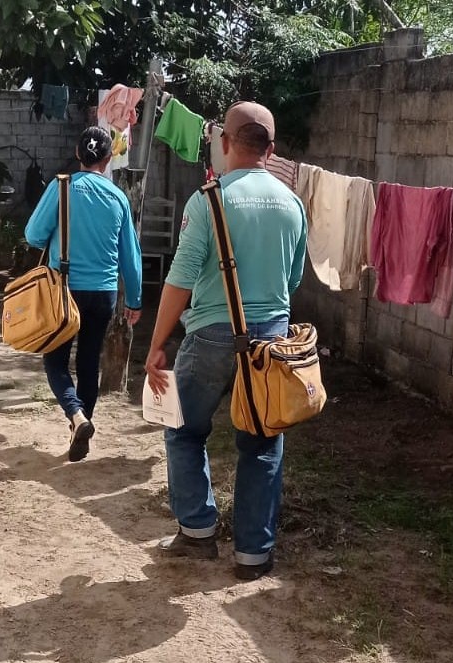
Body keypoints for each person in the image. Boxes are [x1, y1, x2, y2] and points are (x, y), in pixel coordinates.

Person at [144, 101, 307, 580]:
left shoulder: (208, 200)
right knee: (262, 443)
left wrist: (157, 343)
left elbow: (180, 279)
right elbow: (293, 280)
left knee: (183, 428)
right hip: (271, 344)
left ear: (225, 142)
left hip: (212, 336)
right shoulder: (293, 203)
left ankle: (197, 531)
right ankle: (254, 554)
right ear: (271, 150)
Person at [26, 126, 143, 462]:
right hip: (103, 293)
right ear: (108, 159)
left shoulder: (61, 187)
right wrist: (134, 301)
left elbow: (33, 235)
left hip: (64, 291)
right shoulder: (118, 197)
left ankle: (76, 417)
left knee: (55, 360)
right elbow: (130, 256)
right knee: (89, 362)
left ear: (78, 153)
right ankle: (83, 424)